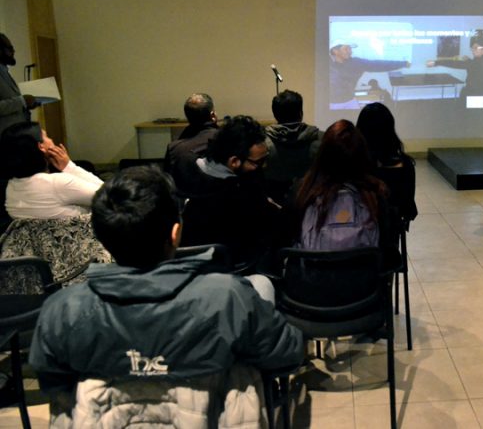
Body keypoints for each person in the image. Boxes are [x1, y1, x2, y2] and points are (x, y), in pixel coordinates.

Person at [28, 166, 304, 424]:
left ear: (102, 238)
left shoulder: (63, 309)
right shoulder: (228, 297)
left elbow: (53, 382)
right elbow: (287, 354)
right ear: (175, 233)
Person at [178, 115, 278, 266]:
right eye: (259, 161)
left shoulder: (184, 167)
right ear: (234, 161)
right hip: (235, 266)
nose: (263, 166)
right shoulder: (244, 192)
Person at [293, 119, 393, 255]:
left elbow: (287, 239)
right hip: (364, 269)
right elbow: (387, 247)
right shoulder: (376, 195)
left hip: (312, 268)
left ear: (322, 155)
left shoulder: (302, 192)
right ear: (362, 155)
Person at [0, 121, 102, 219]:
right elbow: (110, 197)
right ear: (41, 146)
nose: (51, 139)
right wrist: (69, 167)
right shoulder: (58, 182)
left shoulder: (11, 187)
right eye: (47, 136)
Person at [356, 102, 418, 223]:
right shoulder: (405, 165)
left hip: (356, 228)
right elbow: (408, 209)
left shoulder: (353, 165)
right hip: (392, 228)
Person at [263, 89, 322, 204]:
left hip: (275, 206)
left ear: (275, 115)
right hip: (311, 203)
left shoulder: (262, 145)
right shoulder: (322, 140)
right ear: (301, 113)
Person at [329, 42, 410, 110]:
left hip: (350, 101)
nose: (350, 51)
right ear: (335, 51)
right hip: (332, 104)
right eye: (346, 49)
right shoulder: (326, 65)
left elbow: (379, 65)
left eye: (350, 49)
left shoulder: (356, 63)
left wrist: (403, 64)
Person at [164, 93, 219, 190]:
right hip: (223, 197)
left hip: (185, 197)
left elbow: (168, 182)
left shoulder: (173, 149)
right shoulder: (227, 140)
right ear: (213, 115)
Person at [426, 35, 483, 100]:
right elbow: (473, 67)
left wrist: (436, 63)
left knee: (469, 106)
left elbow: (456, 64)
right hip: (477, 92)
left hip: (476, 94)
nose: (472, 50)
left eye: (475, 48)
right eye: (472, 48)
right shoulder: (482, 60)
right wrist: (469, 60)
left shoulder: (479, 62)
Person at [0, 33, 39, 135]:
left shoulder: (4, 71)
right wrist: (22, 101)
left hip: (17, 135)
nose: (13, 51)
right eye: (9, 48)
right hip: (5, 137)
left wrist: (26, 105)